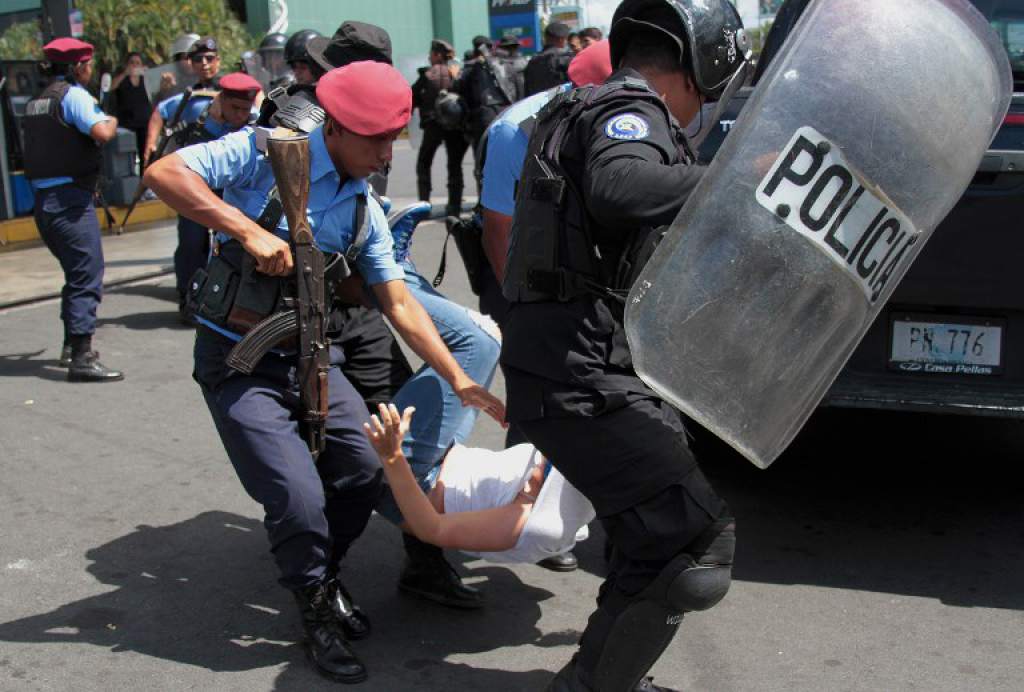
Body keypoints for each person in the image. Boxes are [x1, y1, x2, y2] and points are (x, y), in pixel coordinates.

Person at [143, 61, 505, 684]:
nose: (387, 154)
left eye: (394, 139)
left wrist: (459, 378)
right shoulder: (262, 153)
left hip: (313, 357)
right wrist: (245, 230)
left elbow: (398, 303)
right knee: (297, 497)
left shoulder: (363, 207)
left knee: (363, 472)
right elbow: (162, 173)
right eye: (375, 139)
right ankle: (313, 608)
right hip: (240, 360)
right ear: (334, 128)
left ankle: (324, 574)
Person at [500, 1, 748, 689]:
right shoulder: (625, 111)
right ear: (705, 65)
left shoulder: (594, 105)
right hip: (577, 372)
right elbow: (622, 186)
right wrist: (739, 181)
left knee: (655, 537)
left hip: (581, 364)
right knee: (696, 543)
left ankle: (600, 681)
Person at [366, 402, 596, 566]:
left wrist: (392, 456)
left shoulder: (534, 522)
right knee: (474, 361)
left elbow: (431, 528)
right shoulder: (581, 462)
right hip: (450, 452)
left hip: (419, 482)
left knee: (477, 345)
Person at [22, 38, 123, 382]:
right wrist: (109, 118)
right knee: (86, 274)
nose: (91, 70)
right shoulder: (74, 96)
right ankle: (82, 357)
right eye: (89, 64)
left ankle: (70, 346)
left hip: (45, 204)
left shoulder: (38, 101)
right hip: (69, 202)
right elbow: (102, 132)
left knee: (76, 272)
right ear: (79, 66)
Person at [161, 72, 262, 322]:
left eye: (245, 109)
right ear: (221, 100)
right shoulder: (202, 125)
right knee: (191, 243)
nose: (240, 115)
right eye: (235, 108)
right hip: (200, 196)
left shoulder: (257, 126)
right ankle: (188, 298)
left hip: (236, 202)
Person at [144, 36, 221, 166]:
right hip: (196, 159)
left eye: (209, 58)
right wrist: (151, 145)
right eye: (198, 59)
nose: (204, 63)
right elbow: (161, 110)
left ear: (217, 61)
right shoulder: (190, 94)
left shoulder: (230, 88)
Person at [412, 39, 467, 217]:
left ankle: (424, 205)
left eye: (431, 53)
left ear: (436, 54)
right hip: (455, 127)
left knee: (424, 163)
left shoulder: (428, 74)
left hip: (433, 125)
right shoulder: (457, 73)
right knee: (454, 165)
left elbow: (412, 97)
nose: (429, 57)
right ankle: (454, 206)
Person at [452, 35, 520, 162]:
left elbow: (460, 91)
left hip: (482, 117)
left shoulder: (470, 68)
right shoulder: (506, 65)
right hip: (507, 114)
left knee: (482, 159)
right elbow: (519, 89)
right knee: (507, 157)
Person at [109, 52, 153, 175]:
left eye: (137, 63)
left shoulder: (145, 80)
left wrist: (148, 73)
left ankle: (144, 182)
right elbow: (111, 87)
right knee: (128, 156)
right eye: (132, 63)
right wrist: (125, 74)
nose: (135, 66)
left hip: (144, 123)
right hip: (127, 124)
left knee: (145, 155)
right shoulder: (123, 79)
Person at [524, 21, 573, 96]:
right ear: (561, 39)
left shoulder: (532, 61)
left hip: (538, 105)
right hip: (561, 103)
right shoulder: (565, 59)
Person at [156, 32, 199, 101]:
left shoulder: (210, 81)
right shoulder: (173, 82)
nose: (189, 62)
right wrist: (164, 91)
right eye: (185, 58)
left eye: (193, 57)